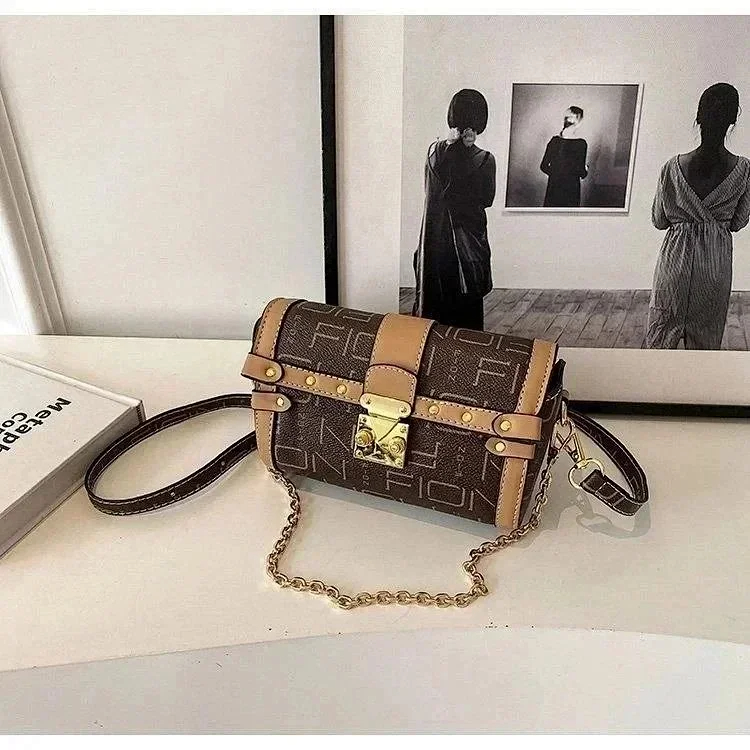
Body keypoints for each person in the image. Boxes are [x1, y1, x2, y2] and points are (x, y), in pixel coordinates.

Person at [646, 83, 750, 350]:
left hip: (675, 264)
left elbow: (658, 220)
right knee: (705, 345)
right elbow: (738, 222)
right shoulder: (744, 169)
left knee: (661, 340)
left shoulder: (671, 167)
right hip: (715, 266)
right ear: (733, 120)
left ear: (698, 117)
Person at [412, 89, 496, 330]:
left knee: (434, 315)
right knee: (466, 316)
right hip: (465, 245)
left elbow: (429, 192)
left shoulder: (432, 152)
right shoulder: (485, 159)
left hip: (433, 243)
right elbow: (487, 199)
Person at [540, 106, 589, 207]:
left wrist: (557, 174)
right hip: (571, 191)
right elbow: (582, 173)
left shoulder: (554, 141)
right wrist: (586, 168)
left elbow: (543, 166)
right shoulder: (581, 144)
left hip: (554, 188)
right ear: (579, 123)